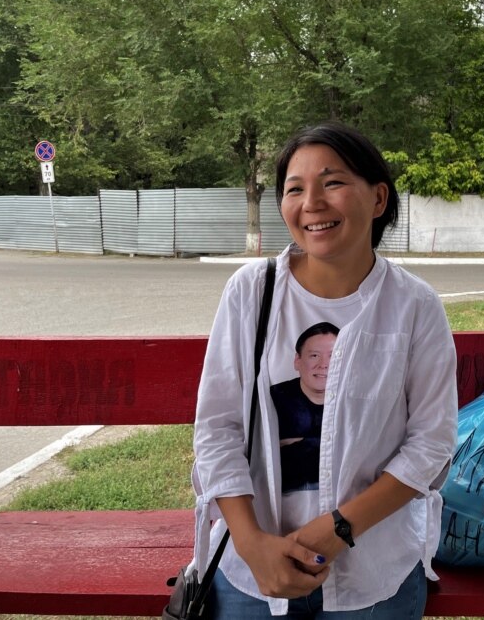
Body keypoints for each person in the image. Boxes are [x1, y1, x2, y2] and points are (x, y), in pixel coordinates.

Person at [191, 122, 459, 619]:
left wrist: (338, 529)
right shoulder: (252, 292)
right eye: (295, 189)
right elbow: (217, 428)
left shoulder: (414, 305)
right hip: (254, 568)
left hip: (375, 571)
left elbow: (431, 442)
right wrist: (251, 545)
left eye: (332, 182)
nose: (311, 202)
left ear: (378, 198)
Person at [270, 323, 339, 493]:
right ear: (297, 361)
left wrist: (298, 445)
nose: (324, 364)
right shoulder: (273, 399)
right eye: (314, 355)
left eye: (333, 356)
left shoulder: (357, 402)